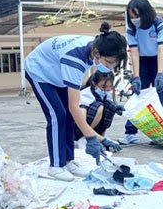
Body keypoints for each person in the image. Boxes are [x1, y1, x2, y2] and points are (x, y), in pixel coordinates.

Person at [25, 22, 127, 182]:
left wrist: (99, 139)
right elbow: (74, 106)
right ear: (97, 53)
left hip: (56, 74)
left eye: (114, 64)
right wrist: (91, 138)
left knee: (69, 118)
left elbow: (74, 108)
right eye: (109, 62)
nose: (110, 67)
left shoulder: (95, 45)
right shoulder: (75, 59)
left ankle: (68, 160)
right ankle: (56, 165)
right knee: (58, 116)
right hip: (39, 71)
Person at [120, 0, 163, 144]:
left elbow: (161, 50)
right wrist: (136, 76)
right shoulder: (131, 29)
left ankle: (159, 135)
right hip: (142, 59)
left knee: (158, 94)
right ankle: (130, 133)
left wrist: (160, 74)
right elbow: (134, 53)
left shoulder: (159, 24)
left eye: (137, 15)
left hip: (161, 58)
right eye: (131, 16)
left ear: (145, 12)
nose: (134, 19)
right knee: (138, 94)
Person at [74, 70, 124, 142]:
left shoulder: (104, 94)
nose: (106, 89)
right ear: (94, 83)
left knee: (110, 106)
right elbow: (81, 118)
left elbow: (108, 105)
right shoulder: (86, 94)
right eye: (103, 86)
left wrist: (116, 108)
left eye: (109, 86)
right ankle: (86, 137)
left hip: (92, 126)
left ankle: (101, 137)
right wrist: (85, 132)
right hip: (78, 128)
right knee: (99, 106)